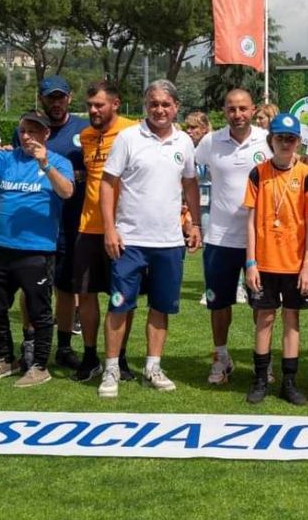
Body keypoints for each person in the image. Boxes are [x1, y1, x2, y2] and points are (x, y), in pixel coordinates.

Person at [97, 80, 201, 399]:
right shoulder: (128, 138)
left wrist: (195, 223)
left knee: (160, 308)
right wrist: (110, 229)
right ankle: (112, 368)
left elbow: (191, 184)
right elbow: (106, 183)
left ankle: (153, 367)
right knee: (119, 306)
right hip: (129, 241)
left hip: (168, 242)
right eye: (154, 103)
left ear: (176, 107)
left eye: (166, 104)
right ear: (146, 105)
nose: (160, 110)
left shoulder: (184, 141)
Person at [0, 111, 74, 387]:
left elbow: (67, 192)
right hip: (1, 249)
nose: (27, 136)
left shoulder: (59, 162)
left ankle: (39, 366)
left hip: (37, 250)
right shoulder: (5, 158)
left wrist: (46, 164)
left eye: (34, 131)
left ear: (46, 134)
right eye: (24, 130)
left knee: (39, 310)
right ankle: (5, 359)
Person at [13, 76, 90, 371]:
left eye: (60, 97)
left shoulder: (82, 129)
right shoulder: (29, 128)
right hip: (36, 221)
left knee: (67, 288)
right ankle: (30, 342)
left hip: (72, 221)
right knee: (30, 287)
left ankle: (65, 346)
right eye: (50, 98)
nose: (55, 103)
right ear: (42, 99)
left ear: (70, 98)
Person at [194, 89, 270, 387]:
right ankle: (221, 357)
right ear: (224, 111)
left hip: (260, 240)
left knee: (261, 306)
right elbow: (190, 174)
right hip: (220, 238)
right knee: (218, 304)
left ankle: (262, 361)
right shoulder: (210, 142)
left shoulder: (267, 140)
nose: (237, 114)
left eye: (243, 109)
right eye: (231, 109)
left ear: (253, 110)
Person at [244, 113, 308, 405]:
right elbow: (249, 222)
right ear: (270, 140)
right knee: (264, 318)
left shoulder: (307, 174)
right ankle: (261, 379)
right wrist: (251, 263)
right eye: (280, 138)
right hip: (264, 262)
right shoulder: (258, 173)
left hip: (295, 263)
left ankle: (289, 382)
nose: (285, 143)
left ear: (298, 142)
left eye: (291, 138)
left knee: (292, 320)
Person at [71, 80, 138, 383]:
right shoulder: (85, 136)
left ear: (116, 103)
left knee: (122, 296)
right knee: (85, 294)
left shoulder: (133, 131)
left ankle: (120, 358)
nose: (93, 111)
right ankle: (89, 356)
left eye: (99, 105)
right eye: (90, 106)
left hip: (123, 229)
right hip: (88, 227)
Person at [184, 111, 212, 232]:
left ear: (204, 129)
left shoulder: (215, 145)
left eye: (193, 127)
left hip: (217, 200)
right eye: (187, 127)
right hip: (201, 200)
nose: (189, 131)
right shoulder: (189, 148)